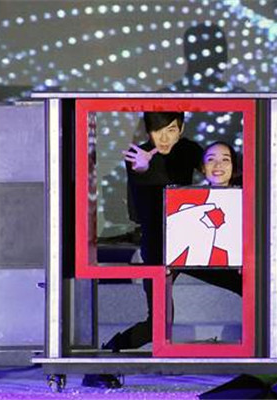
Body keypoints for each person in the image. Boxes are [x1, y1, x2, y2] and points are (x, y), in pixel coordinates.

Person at [82, 111, 203, 389]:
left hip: (192, 241)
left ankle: (267, 353)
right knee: (158, 321)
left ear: (181, 129)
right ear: (148, 131)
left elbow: (212, 170)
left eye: (171, 129)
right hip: (158, 244)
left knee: (244, 286)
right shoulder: (138, 155)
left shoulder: (189, 149)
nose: (164, 137)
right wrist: (144, 167)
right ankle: (107, 357)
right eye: (157, 130)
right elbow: (146, 181)